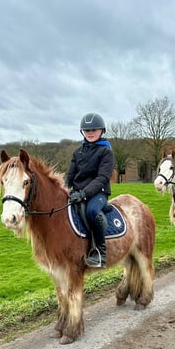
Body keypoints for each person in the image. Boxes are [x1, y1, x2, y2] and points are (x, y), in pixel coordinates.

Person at [66, 113, 114, 268]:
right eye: (87, 130)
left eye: (94, 129)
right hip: (78, 192)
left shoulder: (106, 152)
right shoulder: (77, 152)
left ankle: (100, 253)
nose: (90, 133)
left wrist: (84, 193)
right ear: (82, 132)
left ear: (102, 131)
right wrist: (66, 190)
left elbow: (102, 177)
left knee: (92, 211)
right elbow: (71, 174)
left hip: (98, 193)